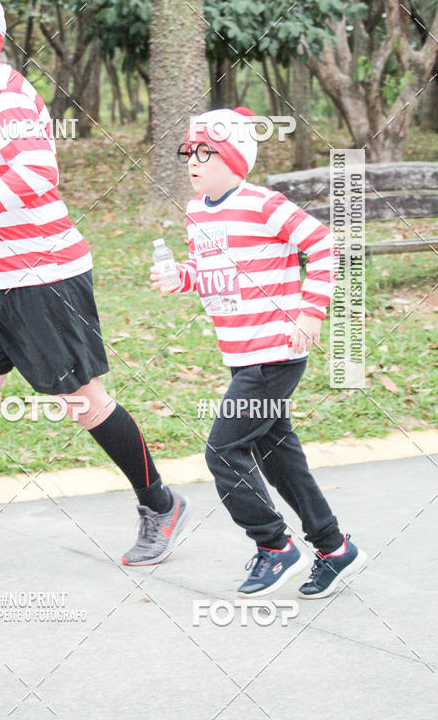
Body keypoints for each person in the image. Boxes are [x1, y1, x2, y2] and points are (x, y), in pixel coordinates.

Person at [0, 0, 190, 569]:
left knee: (84, 402)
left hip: (42, 276)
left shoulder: (8, 95)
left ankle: (162, 504)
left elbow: (36, 172)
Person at [151, 107, 366, 599]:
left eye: (206, 152)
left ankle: (274, 546)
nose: (193, 160)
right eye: (189, 151)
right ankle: (334, 547)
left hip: (275, 352)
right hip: (240, 353)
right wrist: (179, 277)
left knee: (223, 449)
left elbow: (326, 246)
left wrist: (311, 312)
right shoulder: (197, 212)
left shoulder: (265, 204)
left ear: (233, 158)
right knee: (277, 454)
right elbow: (210, 274)